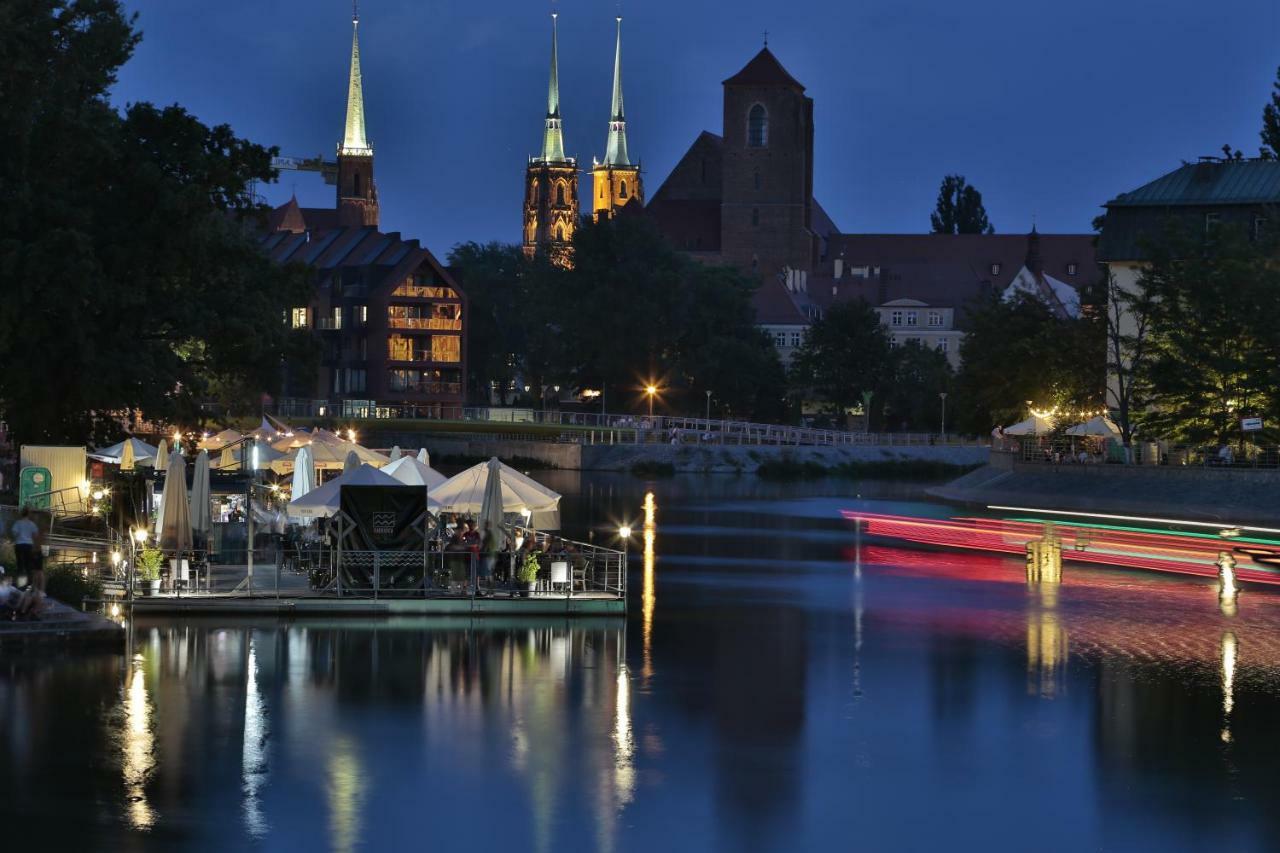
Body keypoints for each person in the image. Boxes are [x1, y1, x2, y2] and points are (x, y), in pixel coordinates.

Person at [10, 507, 41, 595]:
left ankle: (20, 585)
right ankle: (29, 585)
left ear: (21, 514)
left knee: (20, 565)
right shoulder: (32, 524)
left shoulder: (18, 523)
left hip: (19, 545)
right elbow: (35, 535)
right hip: (29, 546)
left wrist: (19, 535)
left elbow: (14, 533)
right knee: (28, 566)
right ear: (28, 514)